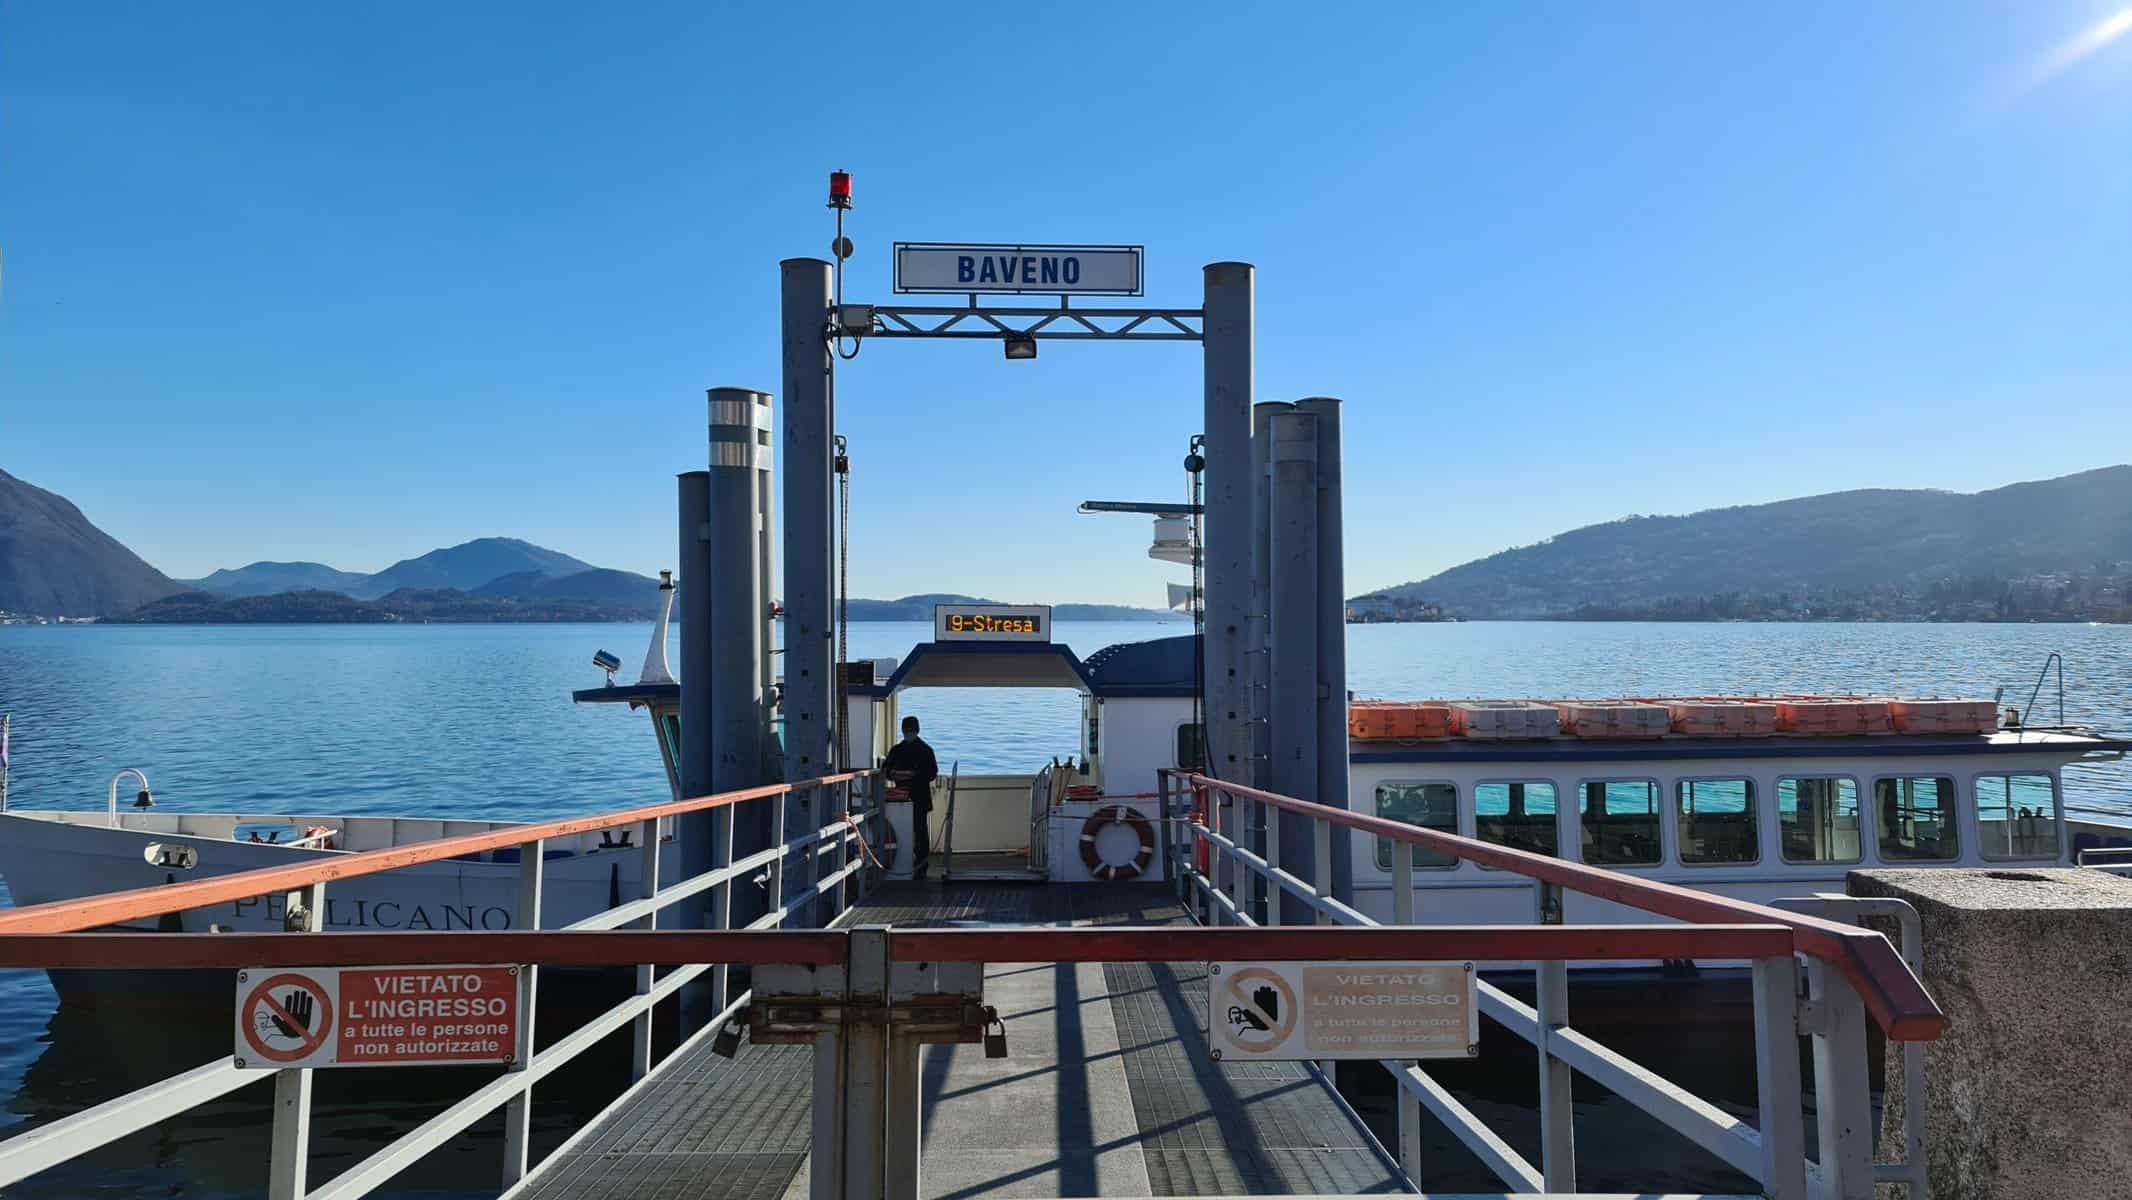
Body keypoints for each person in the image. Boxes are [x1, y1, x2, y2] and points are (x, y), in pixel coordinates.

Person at [882, 715, 939, 877]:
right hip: (900, 797)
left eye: (911, 731)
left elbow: (932, 773)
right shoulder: (897, 750)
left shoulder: (926, 751)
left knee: (920, 831)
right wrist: (894, 774)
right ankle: (905, 862)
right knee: (901, 831)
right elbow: (885, 770)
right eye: (906, 731)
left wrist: (912, 775)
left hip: (919, 797)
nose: (908, 733)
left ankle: (921, 863)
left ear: (917, 731)